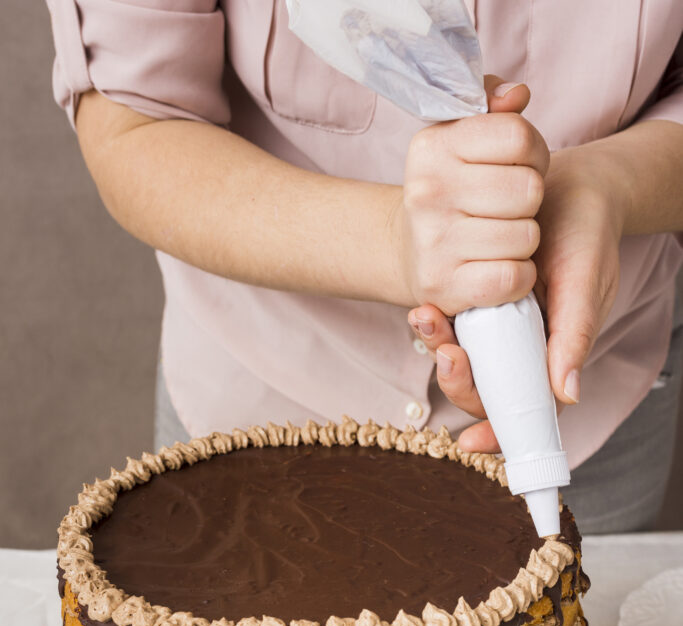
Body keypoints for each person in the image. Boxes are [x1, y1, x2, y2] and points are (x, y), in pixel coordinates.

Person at [45, 0, 683, 532]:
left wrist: (607, 186)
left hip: (597, 419)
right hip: (259, 415)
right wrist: (396, 243)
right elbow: (132, 121)